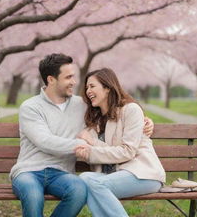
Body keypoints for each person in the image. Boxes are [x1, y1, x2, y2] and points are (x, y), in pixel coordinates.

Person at [9, 53, 155, 217]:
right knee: (33, 195)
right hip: (29, 171)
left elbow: (115, 109)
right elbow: (44, 141)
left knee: (79, 190)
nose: (74, 82)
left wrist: (145, 121)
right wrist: (83, 146)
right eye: (68, 77)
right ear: (51, 80)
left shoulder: (81, 105)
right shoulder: (30, 107)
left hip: (61, 172)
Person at [75, 68, 166, 217]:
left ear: (107, 88)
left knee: (95, 185)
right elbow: (84, 147)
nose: (88, 91)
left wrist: (92, 147)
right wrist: (83, 148)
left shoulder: (130, 110)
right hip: (112, 177)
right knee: (84, 179)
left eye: (92, 86)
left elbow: (127, 151)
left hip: (142, 174)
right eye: (86, 88)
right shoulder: (93, 122)